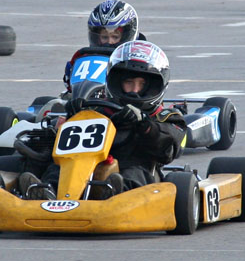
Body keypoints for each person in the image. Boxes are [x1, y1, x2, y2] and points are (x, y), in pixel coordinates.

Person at [24, 40, 185, 199]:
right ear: (116, 81)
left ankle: (116, 194)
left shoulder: (165, 117)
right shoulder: (97, 110)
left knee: (134, 173)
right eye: (129, 82)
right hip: (86, 168)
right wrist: (74, 117)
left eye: (141, 84)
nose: (134, 90)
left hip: (136, 174)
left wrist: (144, 125)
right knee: (59, 167)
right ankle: (47, 192)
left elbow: (169, 149)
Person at [62, 0, 143, 90]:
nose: (109, 42)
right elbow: (68, 83)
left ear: (127, 36)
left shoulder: (139, 58)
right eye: (104, 37)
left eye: (115, 37)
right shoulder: (85, 55)